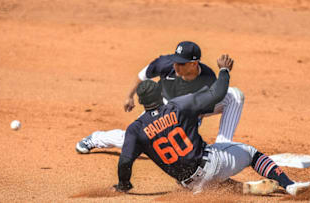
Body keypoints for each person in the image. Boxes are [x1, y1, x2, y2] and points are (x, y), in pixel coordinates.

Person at [112, 55, 310, 197]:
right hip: (210, 165)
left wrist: (124, 185)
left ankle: (240, 189)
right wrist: (224, 70)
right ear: (160, 94)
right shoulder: (179, 106)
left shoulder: (135, 129)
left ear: (141, 101)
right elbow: (218, 94)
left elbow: (125, 162)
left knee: (205, 179)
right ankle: (290, 185)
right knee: (251, 153)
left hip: (189, 185)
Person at [76, 41, 244, 153]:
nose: (175, 66)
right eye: (175, 61)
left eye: (181, 63)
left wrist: (191, 125)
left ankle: (223, 147)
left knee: (235, 95)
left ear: (194, 64)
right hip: (163, 107)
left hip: (192, 108)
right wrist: (129, 96)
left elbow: (206, 103)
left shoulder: (208, 78)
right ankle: (97, 138)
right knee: (131, 139)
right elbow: (142, 75)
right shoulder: (165, 64)